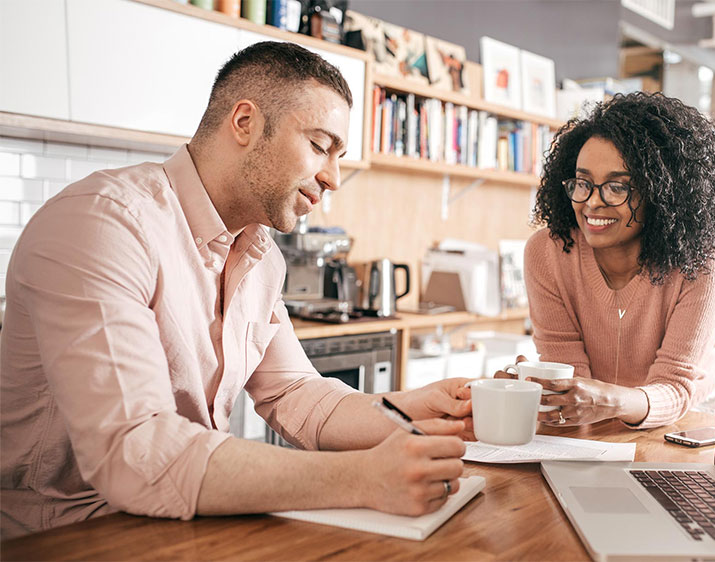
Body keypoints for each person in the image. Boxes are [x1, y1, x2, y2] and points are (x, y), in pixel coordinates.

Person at [0, 41, 472, 539]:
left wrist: (420, 407)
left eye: (339, 156)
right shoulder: (104, 222)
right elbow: (134, 453)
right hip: (63, 538)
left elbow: (297, 395)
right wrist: (362, 478)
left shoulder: (260, 255)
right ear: (245, 123)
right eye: (319, 146)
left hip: (184, 523)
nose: (333, 178)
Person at [502, 92, 715, 429]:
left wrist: (609, 401)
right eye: (582, 183)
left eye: (616, 187)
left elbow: (675, 387)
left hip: (692, 413)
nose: (591, 204)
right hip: (602, 418)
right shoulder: (547, 253)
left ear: (662, 193)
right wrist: (544, 391)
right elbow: (572, 386)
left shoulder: (700, 260)